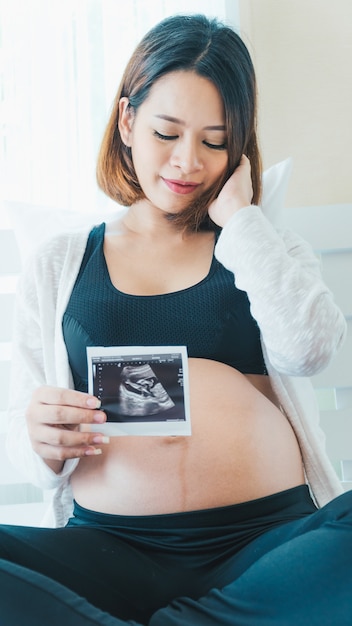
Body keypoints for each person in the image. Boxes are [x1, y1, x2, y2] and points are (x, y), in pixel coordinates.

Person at [1, 13, 351, 626]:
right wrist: (40, 437)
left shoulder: (264, 245)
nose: (187, 162)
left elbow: (310, 349)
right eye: (167, 132)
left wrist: (243, 221)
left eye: (215, 142)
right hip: (107, 552)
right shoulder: (59, 262)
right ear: (128, 120)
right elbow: (24, 433)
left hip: (265, 546)